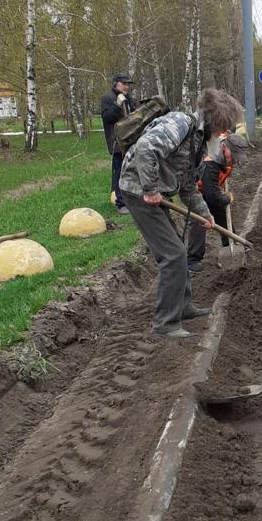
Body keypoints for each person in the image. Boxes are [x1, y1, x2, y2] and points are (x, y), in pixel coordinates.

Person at [119, 108, 214, 338]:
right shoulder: (181, 124)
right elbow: (145, 148)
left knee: (177, 248)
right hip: (137, 189)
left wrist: (205, 214)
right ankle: (165, 323)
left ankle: (183, 306)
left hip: (155, 191)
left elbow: (188, 185)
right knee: (173, 254)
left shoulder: (197, 140)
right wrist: (151, 190)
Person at [187, 88, 248, 272]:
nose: (234, 160)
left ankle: (231, 246)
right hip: (196, 190)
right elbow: (212, 194)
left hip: (210, 187)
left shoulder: (226, 149)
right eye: (233, 156)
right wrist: (226, 198)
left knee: (221, 215)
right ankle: (192, 261)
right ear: (225, 148)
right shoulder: (211, 160)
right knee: (200, 220)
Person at [101, 73, 135, 215]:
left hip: (130, 141)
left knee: (132, 171)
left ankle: (131, 200)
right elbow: (107, 117)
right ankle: (120, 203)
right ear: (116, 83)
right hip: (116, 142)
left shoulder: (129, 98)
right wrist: (117, 104)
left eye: (128, 84)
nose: (127, 86)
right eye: (124, 83)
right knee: (119, 172)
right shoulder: (107, 98)